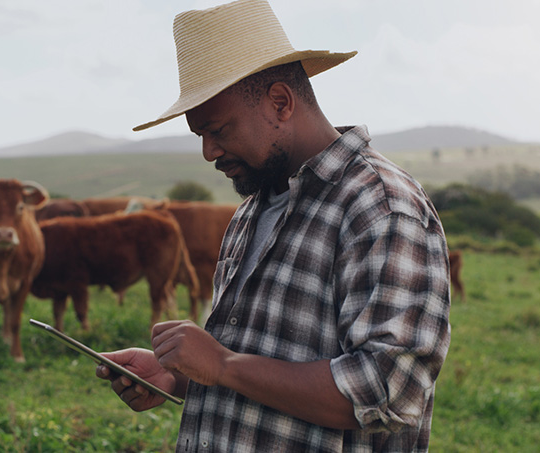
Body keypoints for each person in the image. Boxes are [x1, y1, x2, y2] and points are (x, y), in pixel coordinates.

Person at [96, 0, 452, 451]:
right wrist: (180, 377)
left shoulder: (380, 206)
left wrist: (222, 364)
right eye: (200, 135)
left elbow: (388, 392)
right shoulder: (253, 209)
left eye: (219, 130)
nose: (208, 152)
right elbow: (255, 369)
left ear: (281, 102)